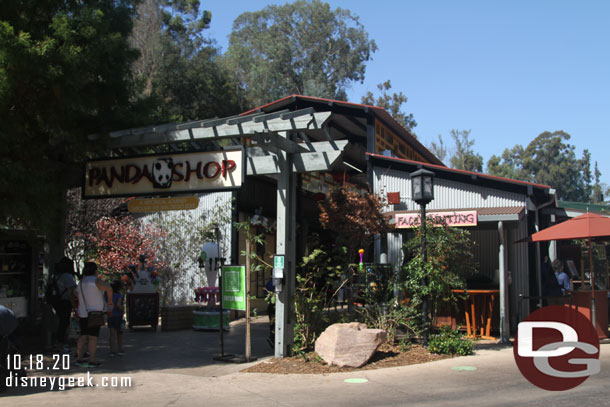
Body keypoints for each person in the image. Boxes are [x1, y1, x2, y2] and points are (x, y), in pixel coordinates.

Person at [75, 262, 113, 368]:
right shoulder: (95, 281)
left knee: (82, 336)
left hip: (83, 312)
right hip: (95, 313)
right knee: (93, 338)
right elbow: (109, 288)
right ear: (95, 271)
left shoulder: (81, 282)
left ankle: (79, 358)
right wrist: (110, 301)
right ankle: (92, 360)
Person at [50, 257, 77, 354]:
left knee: (61, 323)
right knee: (64, 323)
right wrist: (74, 305)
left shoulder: (55, 276)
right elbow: (71, 292)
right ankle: (60, 345)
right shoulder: (67, 276)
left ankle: (58, 344)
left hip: (56, 302)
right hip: (65, 302)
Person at [0, 305, 19, 393]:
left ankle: (2, 384)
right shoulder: (5, 312)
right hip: (4, 335)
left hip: (4, 334)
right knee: (7, 360)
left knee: (6, 361)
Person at [107, 280, 125, 356]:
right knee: (119, 334)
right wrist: (122, 309)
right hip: (118, 316)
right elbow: (118, 305)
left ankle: (112, 350)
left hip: (110, 316)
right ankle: (120, 349)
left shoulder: (108, 295)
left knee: (112, 334)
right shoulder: (119, 296)